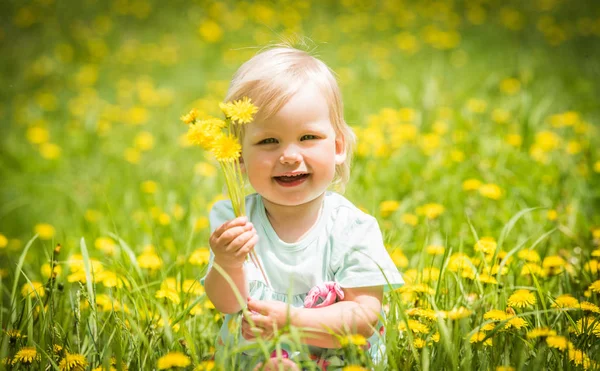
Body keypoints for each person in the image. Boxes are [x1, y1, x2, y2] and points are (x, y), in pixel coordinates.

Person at [202, 46, 404, 370]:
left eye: (307, 137)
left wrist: (292, 321)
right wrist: (227, 260)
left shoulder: (352, 228)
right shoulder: (236, 220)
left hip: (340, 361)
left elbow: (365, 317)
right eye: (269, 141)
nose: (289, 156)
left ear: (337, 147)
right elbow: (226, 304)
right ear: (239, 156)